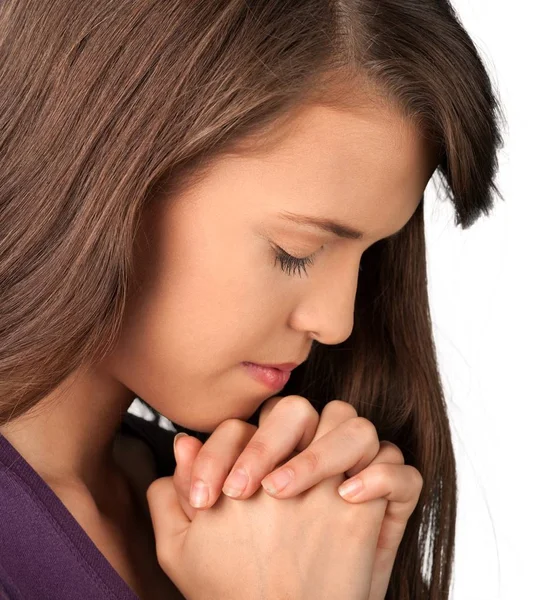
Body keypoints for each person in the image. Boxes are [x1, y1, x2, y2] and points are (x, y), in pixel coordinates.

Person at [0, 0, 505, 598]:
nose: (337, 323)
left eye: (370, 258)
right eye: (296, 251)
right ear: (100, 172)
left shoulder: (294, 534)